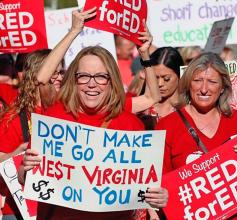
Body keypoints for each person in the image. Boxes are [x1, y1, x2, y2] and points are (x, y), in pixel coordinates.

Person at [20, 8, 168, 220]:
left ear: (111, 81)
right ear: (73, 79)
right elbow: (26, 179)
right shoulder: (54, 118)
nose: (92, 84)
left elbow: (145, 189)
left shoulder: (130, 124)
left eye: (100, 76)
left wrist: (158, 198)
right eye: (84, 76)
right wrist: (25, 169)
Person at [155, 52, 237, 219]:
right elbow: (155, 188)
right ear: (187, 84)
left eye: (212, 82)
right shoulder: (167, 126)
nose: (203, 89)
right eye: (197, 80)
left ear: (222, 87)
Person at [0, 49, 59, 220]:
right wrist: (18, 151)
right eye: (53, 73)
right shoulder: (14, 117)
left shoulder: (68, 112)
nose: (60, 78)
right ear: (37, 76)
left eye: (61, 72)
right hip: (21, 210)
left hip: (59, 207)